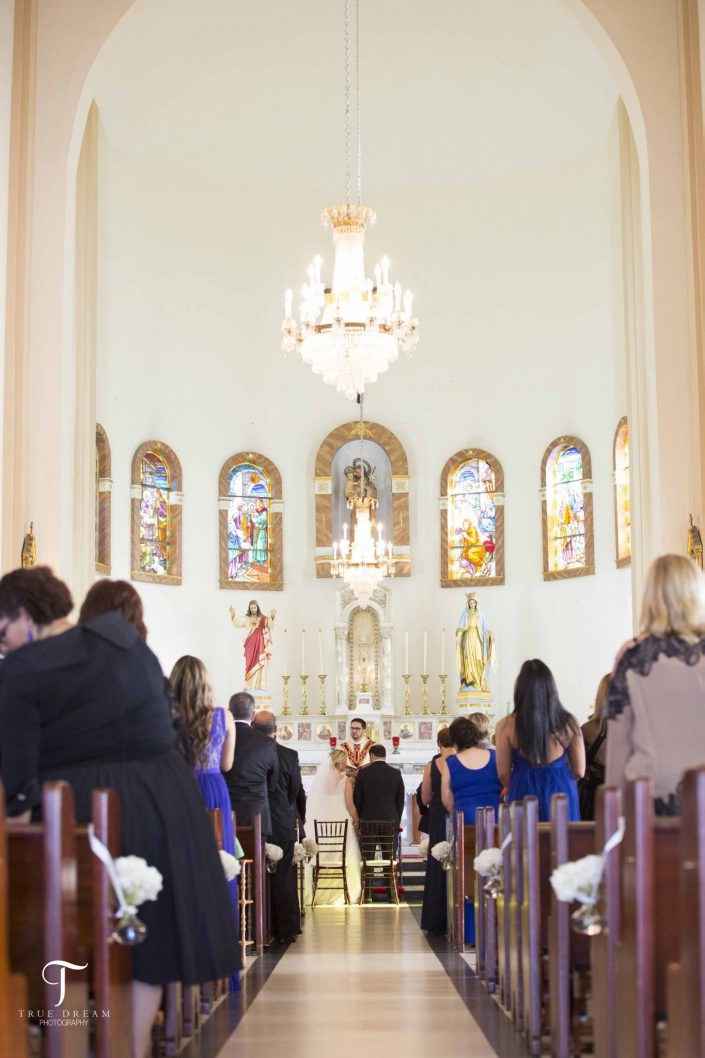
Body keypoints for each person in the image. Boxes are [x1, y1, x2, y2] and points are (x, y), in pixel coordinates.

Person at [0, 569, 239, 1058]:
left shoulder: (24, 667)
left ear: (23, 615)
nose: (5, 645)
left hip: (80, 808)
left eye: (3, 633)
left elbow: (16, 778)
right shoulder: (130, 648)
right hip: (164, 803)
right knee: (150, 946)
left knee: (65, 938)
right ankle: (129, 1048)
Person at [606, 553, 705, 814]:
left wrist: (614, 813)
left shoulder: (632, 658)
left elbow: (618, 747)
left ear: (650, 598)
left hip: (650, 801)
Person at [169, 655, 240, 991]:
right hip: (213, 790)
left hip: (180, 789)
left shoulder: (168, 716)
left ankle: (184, 955)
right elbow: (227, 765)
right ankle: (220, 960)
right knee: (219, 865)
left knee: (181, 868)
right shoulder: (223, 716)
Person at [495, 659, 585, 821]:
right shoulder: (568, 722)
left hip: (523, 790)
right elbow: (580, 770)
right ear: (551, 688)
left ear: (520, 690)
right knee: (562, 835)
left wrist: (514, 783)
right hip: (560, 791)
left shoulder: (506, 725)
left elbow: (503, 773)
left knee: (525, 836)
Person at [252, 710, 303, 942]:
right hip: (282, 820)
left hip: (256, 819)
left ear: (254, 728)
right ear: (275, 729)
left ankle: (262, 927)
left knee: (258, 874)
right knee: (284, 875)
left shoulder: (249, 753)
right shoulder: (289, 755)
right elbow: (295, 790)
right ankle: (287, 929)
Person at [306, 748, 361, 904]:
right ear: (341, 762)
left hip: (322, 823)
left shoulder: (322, 781)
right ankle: (345, 892)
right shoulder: (346, 781)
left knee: (322, 854)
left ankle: (318, 892)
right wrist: (356, 820)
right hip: (342, 822)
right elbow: (350, 805)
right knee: (346, 854)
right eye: (345, 761)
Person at [224, 690, 278, 835]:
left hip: (226, 811)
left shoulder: (220, 738)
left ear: (229, 712)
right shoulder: (267, 743)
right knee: (258, 849)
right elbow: (273, 782)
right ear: (253, 715)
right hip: (257, 813)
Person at [420, 726, 455, 934]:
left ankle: (435, 920)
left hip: (438, 816)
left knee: (437, 864)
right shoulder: (460, 762)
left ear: (439, 743)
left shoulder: (431, 765)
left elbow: (425, 797)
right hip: (456, 813)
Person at [578, 674, 610, 821]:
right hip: (622, 796)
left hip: (592, 801)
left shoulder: (586, 730)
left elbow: (578, 770)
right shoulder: (633, 731)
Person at [353, 744, 405, 826]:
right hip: (390, 820)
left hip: (368, 820)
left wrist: (361, 816)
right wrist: (397, 819)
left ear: (371, 755)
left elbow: (357, 798)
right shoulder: (396, 773)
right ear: (385, 755)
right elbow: (400, 800)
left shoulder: (362, 773)